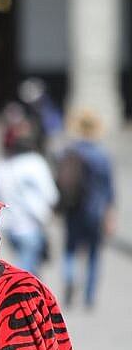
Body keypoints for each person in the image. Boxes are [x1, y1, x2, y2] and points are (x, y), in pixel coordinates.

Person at [58, 109, 115, 309]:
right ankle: (89, 295)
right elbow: (109, 190)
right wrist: (110, 216)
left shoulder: (69, 152)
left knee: (70, 249)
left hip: (73, 209)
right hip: (96, 211)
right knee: (93, 254)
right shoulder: (102, 155)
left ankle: (70, 278)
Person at [0, 133, 59, 274]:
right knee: (26, 272)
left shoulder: (2, 166)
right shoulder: (35, 163)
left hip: (8, 225)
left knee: (24, 266)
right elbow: (51, 195)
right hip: (31, 224)